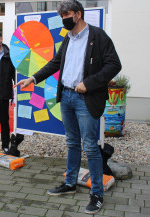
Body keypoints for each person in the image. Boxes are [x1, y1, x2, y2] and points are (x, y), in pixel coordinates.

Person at [16, 0, 121, 214]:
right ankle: (70, 183)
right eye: (61, 14)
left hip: (86, 99)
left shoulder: (97, 36)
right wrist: (34, 78)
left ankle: (97, 194)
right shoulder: (68, 38)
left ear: (78, 15)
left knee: (90, 146)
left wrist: (89, 83)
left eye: (67, 14)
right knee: (72, 142)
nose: (63, 18)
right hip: (67, 97)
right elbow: (56, 63)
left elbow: (114, 65)